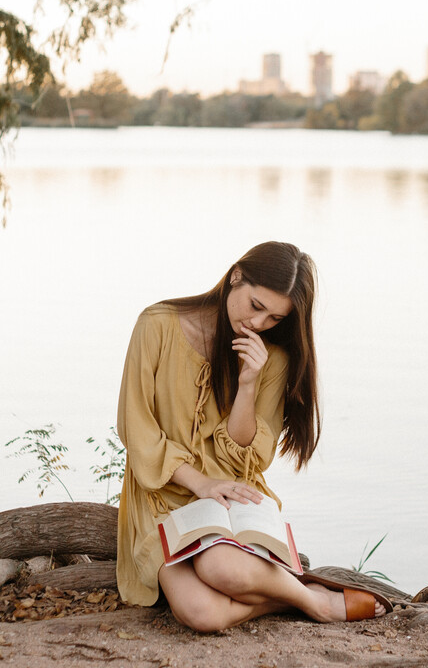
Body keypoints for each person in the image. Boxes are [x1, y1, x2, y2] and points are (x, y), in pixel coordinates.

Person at [116, 241, 390, 632]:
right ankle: (306, 597)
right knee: (201, 614)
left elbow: (250, 458)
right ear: (236, 276)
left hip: (232, 494)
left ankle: (310, 600)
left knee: (221, 567)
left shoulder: (271, 358)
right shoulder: (156, 324)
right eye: (256, 306)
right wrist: (200, 482)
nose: (259, 323)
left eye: (275, 318)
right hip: (161, 492)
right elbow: (135, 427)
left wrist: (248, 384)